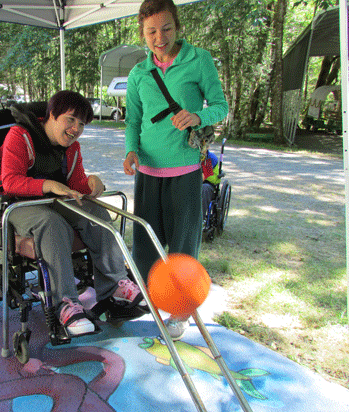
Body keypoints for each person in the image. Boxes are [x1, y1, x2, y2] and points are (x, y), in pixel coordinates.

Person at [0, 90, 147, 337]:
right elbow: (10, 182)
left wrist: (93, 183)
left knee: (95, 210)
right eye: (71, 119)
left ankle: (114, 285)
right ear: (51, 115)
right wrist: (49, 185)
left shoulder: (72, 148)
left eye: (82, 124)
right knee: (52, 223)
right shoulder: (19, 136)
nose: (76, 129)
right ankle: (65, 304)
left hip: (53, 201)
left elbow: (76, 185)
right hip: (17, 205)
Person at [122, 0, 228, 340]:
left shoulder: (199, 60)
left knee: (183, 247)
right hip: (148, 173)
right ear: (142, 33)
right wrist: (131, 150)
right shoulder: (139, 73)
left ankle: (181, 311)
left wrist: (198, 116)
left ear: (177, 26)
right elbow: (134, 121)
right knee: (146, 247)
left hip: (185, 169)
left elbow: (221, 107)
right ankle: (151, 303)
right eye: (151, 31)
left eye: (166, 28)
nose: (159, 37)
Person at [201, 149, 220, 216]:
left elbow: (202, 177)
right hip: (196, 182)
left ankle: (200, 219)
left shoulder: (210, 158)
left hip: (208, 184)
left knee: (204, 188)